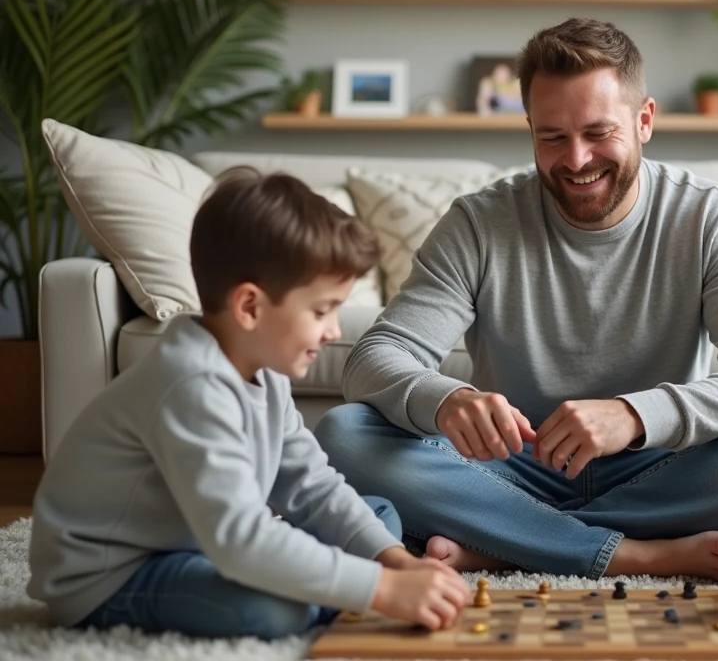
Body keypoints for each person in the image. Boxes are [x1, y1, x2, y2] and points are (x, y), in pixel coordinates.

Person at [315, 17, 718, 582]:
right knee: (343, 436)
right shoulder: (478, 223)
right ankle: (635, 552)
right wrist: (446, 399)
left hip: (664, 466)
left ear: (644, 121)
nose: (575, 159)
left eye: (598, 132)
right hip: (513, 468)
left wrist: (635, 415)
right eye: (552, 137)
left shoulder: (705, 215)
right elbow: (376, 358)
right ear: (529, 128)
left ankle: (509, 543)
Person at [27, 169, 469, 639]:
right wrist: (381, 589)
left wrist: (395, 563)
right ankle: (316, 591)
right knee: (276, 612)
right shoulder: (190, 385)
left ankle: (327, 581)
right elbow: (240, 540)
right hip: (114, 574)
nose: (335, 331)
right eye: (321, 311)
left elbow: (311, 485)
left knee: (378, 520)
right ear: (250, 307)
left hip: (204, 542)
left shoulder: (265, 370)